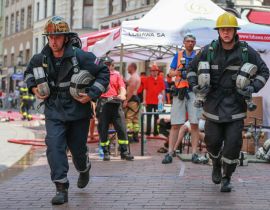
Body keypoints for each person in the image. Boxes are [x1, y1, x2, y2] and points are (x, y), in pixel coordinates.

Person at [24, 16, 109, 205]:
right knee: (54, 146)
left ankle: (84, 167)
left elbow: (103, 72)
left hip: (78, 110)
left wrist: (92, 93)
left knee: (77, 150)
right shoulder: (40, 58)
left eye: (58, 37)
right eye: (51, 37)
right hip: (54, 109)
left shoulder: (81, 56)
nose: (53, 41)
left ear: (66, 38)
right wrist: (33, 88)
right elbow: (29, 72)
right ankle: (61, 187)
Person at [188, 12, 269, 192]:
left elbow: (264, 72)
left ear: (235, 31)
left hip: (236, 105)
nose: (226, 33)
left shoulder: (245, 51)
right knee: (212, 142)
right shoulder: (208, 50)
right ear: (219, 31)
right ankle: (216, 163)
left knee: (233, 144)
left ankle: (227, 177)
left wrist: (253, 87)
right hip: (212, 105)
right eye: (223, 30)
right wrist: (195, 87)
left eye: (229, 30)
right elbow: (191, 69)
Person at [162, 33, 201, 164]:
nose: (190, 43)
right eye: (188, 41)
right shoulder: (178, 55)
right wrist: (179, 72)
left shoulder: (199, 56)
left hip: (194, 91)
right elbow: (170, 73)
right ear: (184, 43)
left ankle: (195, 153)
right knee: (175, 124)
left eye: (192, 41)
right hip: (179, 91)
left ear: (195, 43)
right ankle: (170, 153)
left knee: (194, 124)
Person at [96, 56, 134, 161]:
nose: (108, 66)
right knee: (103, 130)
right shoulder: (97, 75)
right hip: (103, 104)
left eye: (109, 64)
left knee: (121, 128)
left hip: (116, 103)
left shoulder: (116, 75)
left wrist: (122, 95)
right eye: (106, 64)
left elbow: (122, 87)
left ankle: (124, 152)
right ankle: (106, 152)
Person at [143, 64, 165, 136]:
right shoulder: (147, 79)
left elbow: (163, 90)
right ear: (151, 72)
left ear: (157, 72)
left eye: (155, 71)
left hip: (158, 102)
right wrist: (144, 100)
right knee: (148, 117)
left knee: (157, 117)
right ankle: (148, 132)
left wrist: (163, 101)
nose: (154, 72)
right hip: (149, 101)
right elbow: (145, 90)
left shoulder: (161, 79)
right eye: (153, 71)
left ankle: (156, 132)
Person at [123, 63, 141, 143]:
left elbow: (131, 90)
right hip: (135, 99)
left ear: (132, 68)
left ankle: (129, 137)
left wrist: (126, 100)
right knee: (135, 119)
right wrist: (125, 81)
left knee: (129, 118)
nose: (127, 69)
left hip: (132, 99)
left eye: (128, 67)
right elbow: (131, 85)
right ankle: (136, 136)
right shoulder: (136, 77)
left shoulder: (133, 78)